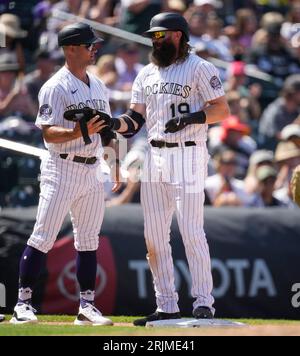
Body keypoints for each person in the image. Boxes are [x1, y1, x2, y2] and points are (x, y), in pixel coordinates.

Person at [106, 12, 230, 325]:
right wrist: (112, 123)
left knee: (190, 230)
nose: (154, 40)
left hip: (188, 154)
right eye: (153, 36)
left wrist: (191, 119)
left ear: (177, 35)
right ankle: (166, 304)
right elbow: (135, 120)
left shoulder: (200, 67)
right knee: (154, 236)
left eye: (160, 35)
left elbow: (221, 109)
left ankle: (204, 302)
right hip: (154, 154)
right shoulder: (146, 73)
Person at [10, 23, 121, 326]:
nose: (94, 48)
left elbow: (106, 130)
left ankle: (86, 306)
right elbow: (48, 134)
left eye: (94, 44)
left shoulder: (98, 84)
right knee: (44, 235)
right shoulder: (55, 86)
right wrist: (77, 129)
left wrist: (115, 161)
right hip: (62, 166)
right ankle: (23, 304)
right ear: (71, 49)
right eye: (89, 45)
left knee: (88, 240)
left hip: (93, 167)